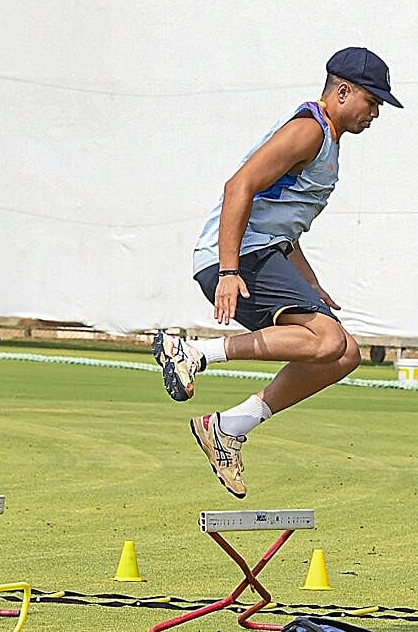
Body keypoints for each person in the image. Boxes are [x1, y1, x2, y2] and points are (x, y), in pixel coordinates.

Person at [154, 47, 402, 498]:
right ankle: (191, 352)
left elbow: (282, 224)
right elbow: (239, 186)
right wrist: (229, 270)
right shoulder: (309, 130)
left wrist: (308, 282)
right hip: (233, 257)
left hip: (260, 254)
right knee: (326, 339)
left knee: (343, 355)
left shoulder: (327, 141)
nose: (376, 112)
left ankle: (228, 427)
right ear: (343, 91)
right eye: (372, 100)